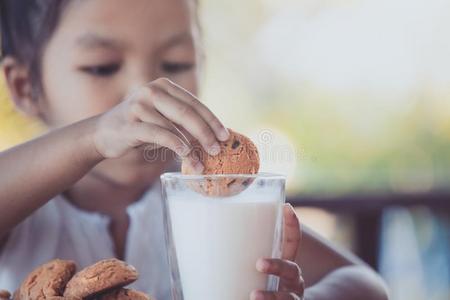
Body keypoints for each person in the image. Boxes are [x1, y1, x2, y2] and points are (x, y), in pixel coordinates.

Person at [0, 0, 388, 299]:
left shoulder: (208, 201)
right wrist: (94, 136)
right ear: (24, 87)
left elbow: (366, 284)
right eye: (102, 66)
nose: (145, 89)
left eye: (176, 62)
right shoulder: (25, 206)